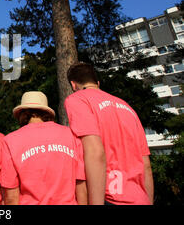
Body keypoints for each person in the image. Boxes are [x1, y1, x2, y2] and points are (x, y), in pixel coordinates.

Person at [64, 62, 154, 205]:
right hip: (140, 198)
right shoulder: (126, 106)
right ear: (98, 83)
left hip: (109, 197)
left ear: (73, 85)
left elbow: (95, 152)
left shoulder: (78, 99)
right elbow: (146, 165)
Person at [0, 91, 87, 205]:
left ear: (22, 114)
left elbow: (11, 196)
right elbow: (81, 185)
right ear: (47, 112)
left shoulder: (10, 140)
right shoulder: (71, 135)